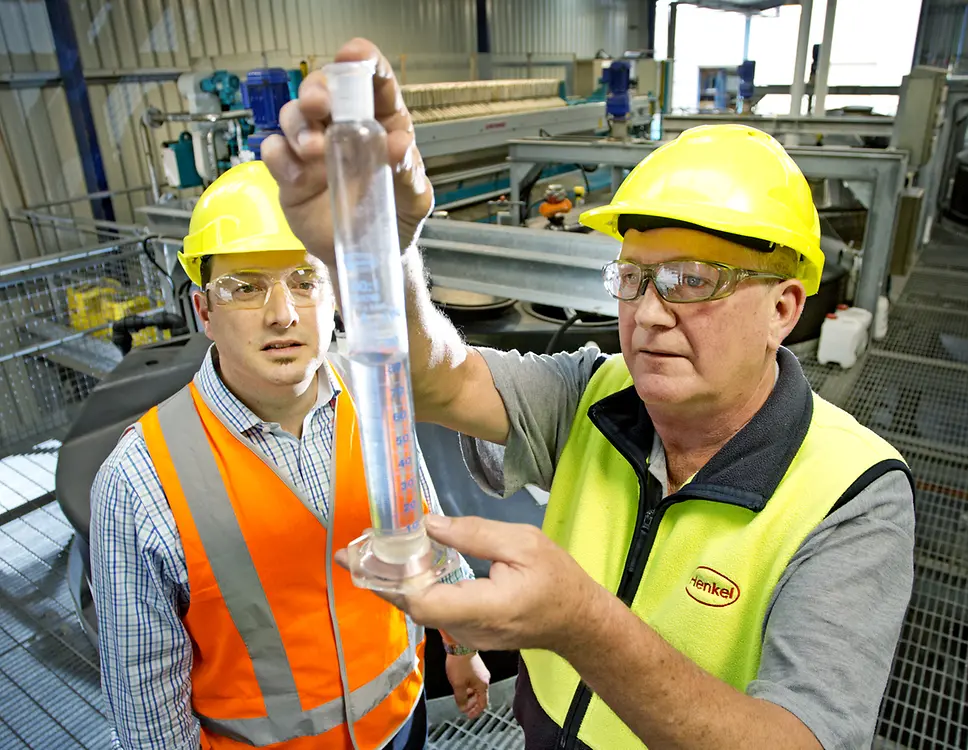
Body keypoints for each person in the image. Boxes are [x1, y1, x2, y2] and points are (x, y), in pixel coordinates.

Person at [263, 39, 915, 750]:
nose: (650, 314)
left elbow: (801, 740)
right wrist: (376, 254)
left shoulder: (852, 495)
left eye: (692, 280)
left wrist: (580, 623)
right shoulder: (596, 394)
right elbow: (432, 376)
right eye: (633, 278)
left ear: (784, 310)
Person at [89, 160, 490, 750]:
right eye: (246, 287)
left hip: (400, 725)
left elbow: (427, 532)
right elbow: (145, 696)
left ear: (332, 296)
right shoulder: (139, 481)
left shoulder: (375, 393)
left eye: (305, 279)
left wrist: (459, 646)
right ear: (203, 311)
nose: (282, 313)